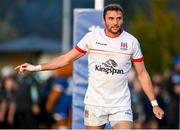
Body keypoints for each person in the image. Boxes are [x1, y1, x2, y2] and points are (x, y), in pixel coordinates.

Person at [15, 4, 164, 129]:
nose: (115, 22)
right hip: (95, 103)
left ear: (123, 19)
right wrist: (36, 68)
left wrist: (154, 103)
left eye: (119, 18)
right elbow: (66, 59)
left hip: (121, 104)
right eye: (111, 18)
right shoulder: (92, 37)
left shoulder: (132, 42)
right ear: (103, 20)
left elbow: (142, 73)